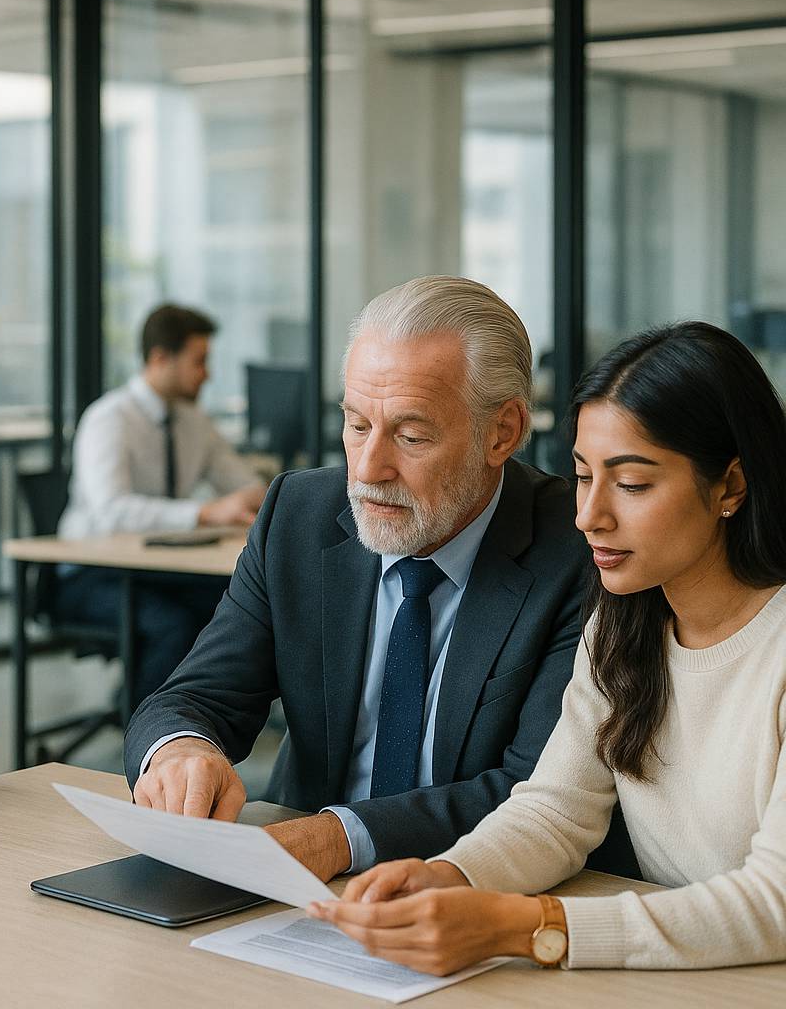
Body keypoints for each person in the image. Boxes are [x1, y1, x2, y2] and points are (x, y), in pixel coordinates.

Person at [312, 322, 786, 973]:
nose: (589, 514)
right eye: (584, 476)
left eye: (632, 483)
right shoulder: (624, 624)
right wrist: (447, 877)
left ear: (730, 487)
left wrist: (524, 926)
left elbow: (776, 902)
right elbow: (557, 811)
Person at [126, 276, 633, 883]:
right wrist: (181, 749)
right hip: (291, 876)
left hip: (471, 886)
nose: (368, 470)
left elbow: (536, 789)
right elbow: (196, 696)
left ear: (502, 432)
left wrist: (340, 838)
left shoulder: (579, 550)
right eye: (357, 425)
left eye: (412, 436)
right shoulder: (298, 515)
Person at [56, 303, 267, 705]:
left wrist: (274, 496)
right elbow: (111, 512)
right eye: (199, 361)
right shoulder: (109, 418)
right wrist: (205, 513)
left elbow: (242, 483)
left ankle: (198, 718)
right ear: (159, 358)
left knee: (238, 606)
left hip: (161, 569)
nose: (207, 374)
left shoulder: (193, 421)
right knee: (172, 625)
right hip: (90, 572)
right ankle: (146, 738)